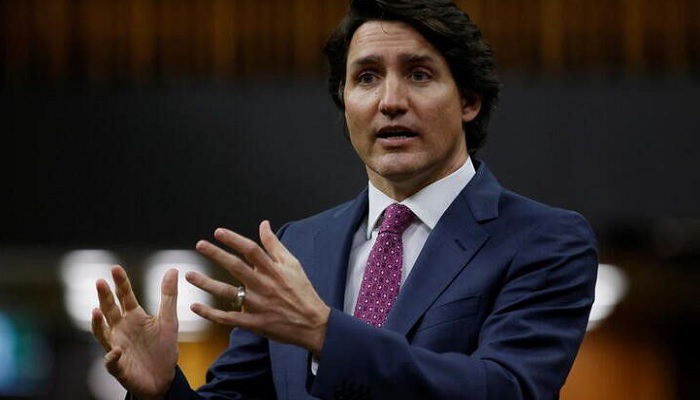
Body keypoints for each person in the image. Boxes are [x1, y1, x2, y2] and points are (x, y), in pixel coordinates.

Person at [91, 0, 598, 399]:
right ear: (345, 102)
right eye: (367, 77)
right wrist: (162, 391)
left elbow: (504, 389)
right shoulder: (299, 247)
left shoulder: (545, 239)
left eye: (419, 74)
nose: (390, 101)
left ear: (469, 99)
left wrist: (326, 335)